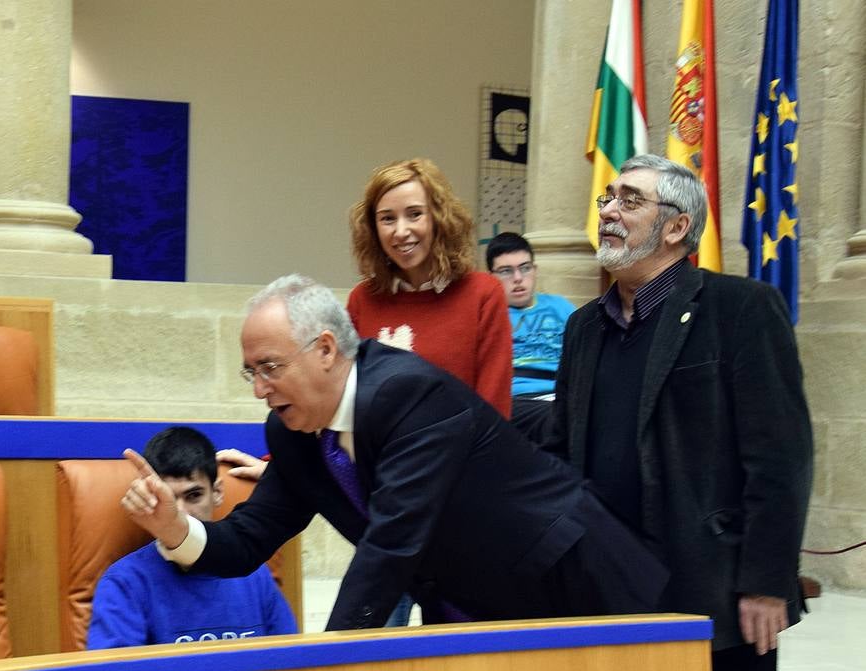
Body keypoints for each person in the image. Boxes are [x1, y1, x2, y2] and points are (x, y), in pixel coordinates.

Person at [544, 154, 812, 671]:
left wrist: (764, 581)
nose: (607, 208)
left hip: (718, 599)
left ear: (675, 226)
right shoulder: (582, 330)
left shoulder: (739, 308)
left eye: (628, 199)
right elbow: (563, 454)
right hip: (612, 597)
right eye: (607, 195)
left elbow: (779, 457)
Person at [120, 274, 668, 631]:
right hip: (476, 607)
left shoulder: (407, 393)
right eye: (251, 372)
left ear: (327, 350)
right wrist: (175, 529)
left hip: (579, 583)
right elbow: (246, 540)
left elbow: (392, 541)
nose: (259, 389)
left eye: (270, 367)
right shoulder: (291, 432)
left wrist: (331, 658)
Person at [87, 427, 297, 649]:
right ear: (148, 498)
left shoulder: (254, 573)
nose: (179, 513)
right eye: (166, 497)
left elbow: (291, 662)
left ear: (216, 493)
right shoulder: (124, 583)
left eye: (193, 496)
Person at [347, 158, 512, 418]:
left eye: (414, 214)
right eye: (387, 218)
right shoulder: (362, 299)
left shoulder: (483, 293)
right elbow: (340, 400)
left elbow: (494, 408)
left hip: (460, 452)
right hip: (380, 453)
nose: (401, 231)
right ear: (373, 228)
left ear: (439, 218)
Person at [486, 231, 578, 441]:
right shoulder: (487, 314)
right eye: (506, 271)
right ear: (491, 276)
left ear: (534, 270)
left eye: (525, 268)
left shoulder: (561, 307)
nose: (518, 278)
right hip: (515, 400)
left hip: (562, 395)